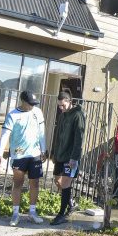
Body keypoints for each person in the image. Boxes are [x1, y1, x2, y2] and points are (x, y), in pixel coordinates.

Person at [0, 90, 47, 226]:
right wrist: (0, 154)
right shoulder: (12, 115)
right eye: (30, 103)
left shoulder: (37, 112)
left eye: (34, 103)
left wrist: (44, 149)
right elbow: (5, 134)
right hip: (19, 155)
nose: (32, 106)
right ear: (23, 102)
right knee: (18, 183)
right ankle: (15, 213)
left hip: (35, 154)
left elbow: (42, 133)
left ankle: (32, 212)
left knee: (35, 183)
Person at [50, 90, 86, 225]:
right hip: (60, 154)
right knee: (58, 181)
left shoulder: (77, 115)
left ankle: (61, 215)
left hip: (71, 157)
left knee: (65, 183)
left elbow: (79, 138)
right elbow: (58, 134)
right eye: (59, 106)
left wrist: (74, 158)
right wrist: (54, 152)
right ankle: (71, 204)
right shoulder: (62, 116)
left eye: (63, 105)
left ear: (69, 102)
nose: (61, 108)